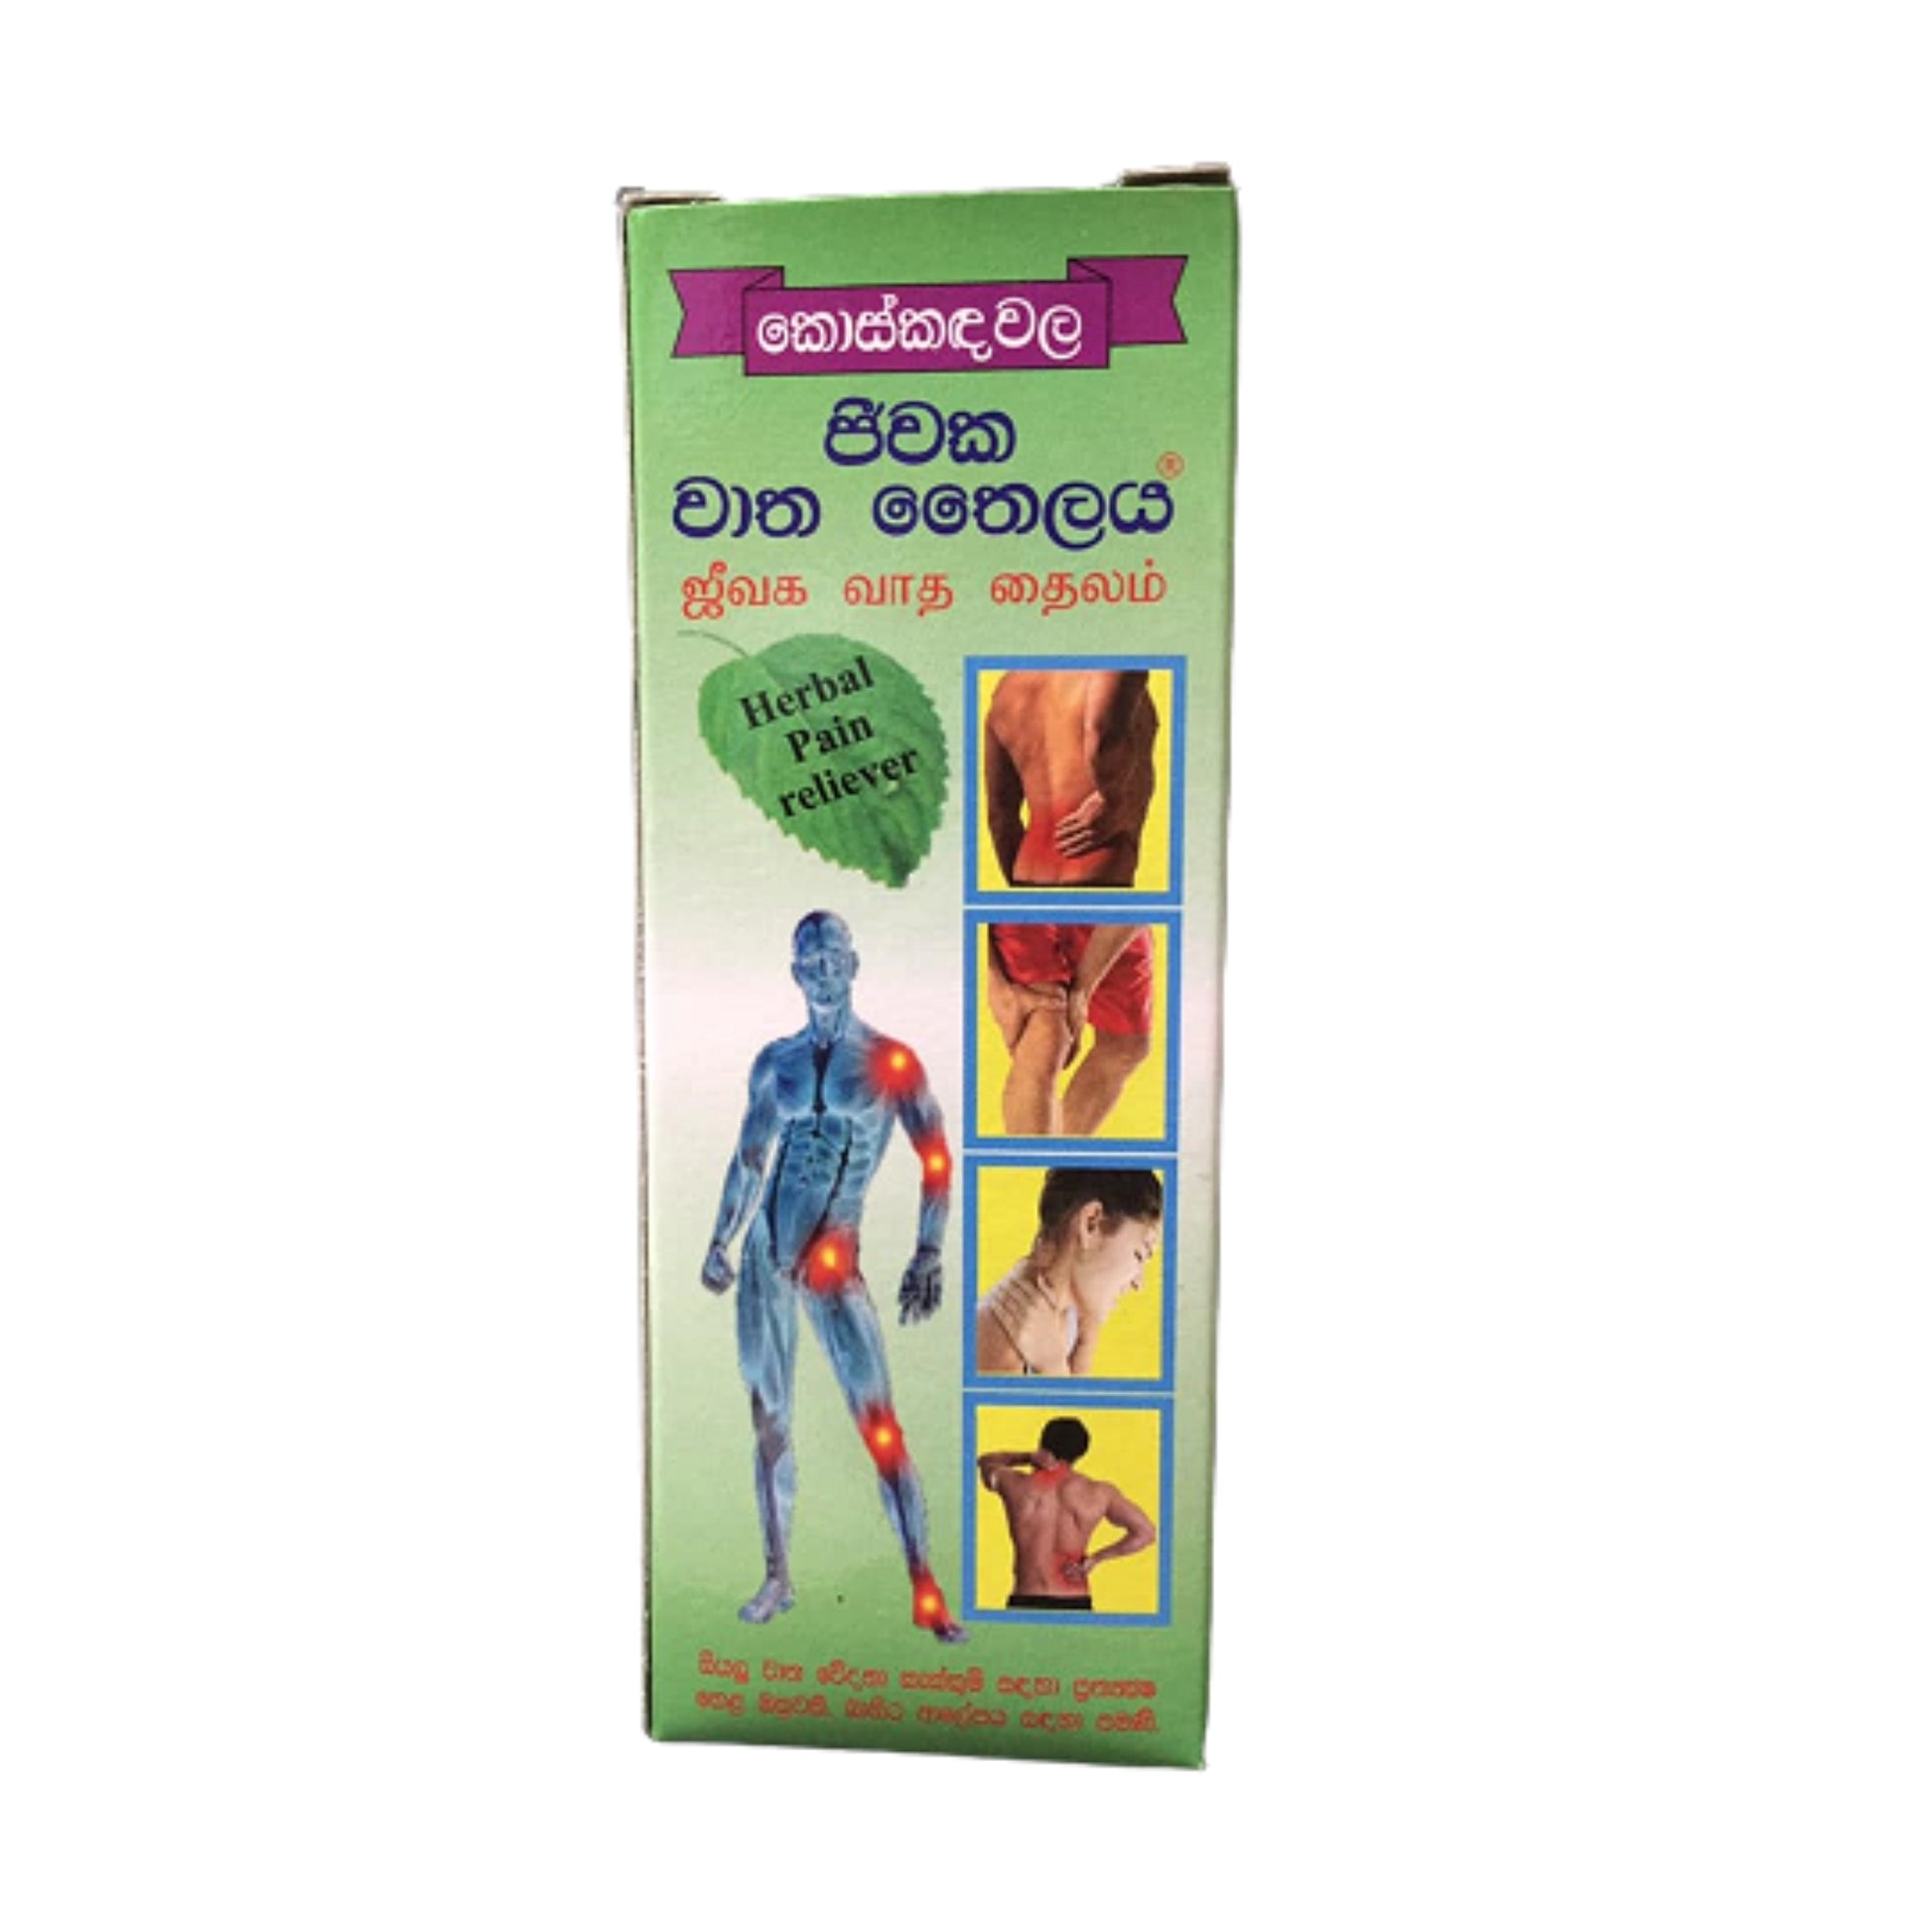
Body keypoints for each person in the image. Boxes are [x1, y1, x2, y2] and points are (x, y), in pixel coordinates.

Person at [702, 910, 964, 1642]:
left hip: (832, 1256)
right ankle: (778, 1576)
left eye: (833, 957)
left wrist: (928, 1250)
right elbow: (749, 1158)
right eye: (809, 960)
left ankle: (924, 1585)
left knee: (878, 1423)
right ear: (795, 972)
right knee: (769, 1421)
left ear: (854, 964)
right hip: (766, 1254)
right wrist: (719, 1240)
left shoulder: (890, 1062)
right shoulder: (775, 1062)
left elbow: (936, 1156)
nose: (822, 970)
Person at [982, 668, 1159, 890]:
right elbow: (1104, 733)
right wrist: (1113, 799)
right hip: (1097, 870)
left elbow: (1000, 816)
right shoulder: (1107, 666)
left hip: (1026, 872)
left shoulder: (1005, 690)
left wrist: (1021, 893)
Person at [976, 1169, 1164, 1377]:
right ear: (1091, 1223)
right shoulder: (1003, 1351)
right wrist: (1053, 1368)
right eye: (1140, 1255)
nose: (1138, 1283)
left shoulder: (1068, 1322)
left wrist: (1078, 1350)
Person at [986, 921, 1153, 1136]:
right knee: (1045, 1036)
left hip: (1106, 914)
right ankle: (1031, 1155)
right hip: (1027, 911)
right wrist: (994, 978)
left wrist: (1081, 990)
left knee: (1126, 1046)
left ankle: (1063, 1148)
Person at [977, 1418, 1157, 1611]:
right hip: (1075, 1599)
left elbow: (985, 1461)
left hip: (1026, 1597)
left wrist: (1027, 1456)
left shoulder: (1014, 1483)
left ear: (1042, 1445)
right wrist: (1096, 1558)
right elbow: (1146, 1533)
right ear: (1081, 1452)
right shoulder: (1099, 1492)